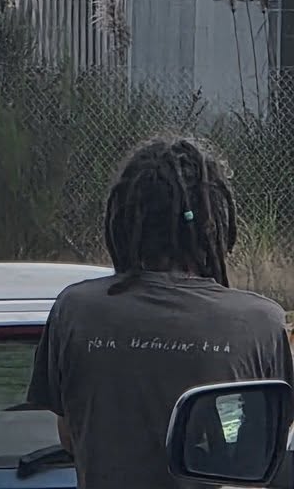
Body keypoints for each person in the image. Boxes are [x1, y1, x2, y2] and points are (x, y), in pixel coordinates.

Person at [27, 135, 294, 489]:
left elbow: (70, 438)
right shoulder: (259, 323)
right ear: (211, 222)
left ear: (122, 217)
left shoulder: (74, 311)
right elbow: (262, 452)